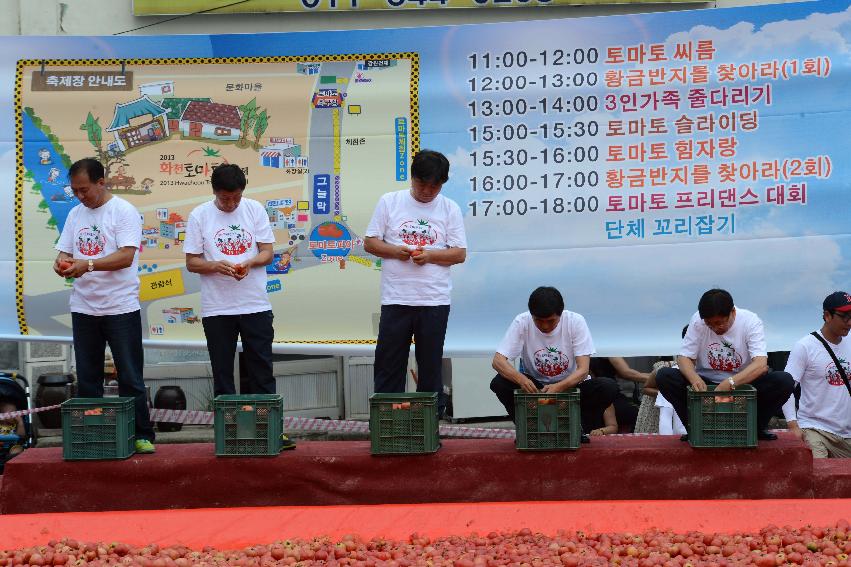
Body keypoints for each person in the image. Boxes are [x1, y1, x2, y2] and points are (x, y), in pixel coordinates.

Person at [184, 164, 295, 449]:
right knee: (222, 373)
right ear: (214, 192)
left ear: (242, 192)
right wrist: (215, 266)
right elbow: (192, 262)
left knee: (261, 370)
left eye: (235, 198)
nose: (230, 204)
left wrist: (248, 262)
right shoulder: (199, 215)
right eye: (224, 199)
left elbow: (268, 252)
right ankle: (229, 434)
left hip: (254, 304)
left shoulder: (254, 209)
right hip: (217, 309)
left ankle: (271, 431)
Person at [54, 158, 155, 454]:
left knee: (130, 376)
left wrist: (88, 264)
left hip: (120, 306)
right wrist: (61, 264)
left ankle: (142, 434)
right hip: (84, 306)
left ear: (101, 182)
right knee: (87, 378)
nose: (80, 196)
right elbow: (64, 250)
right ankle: (94, 435)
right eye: (75, 191)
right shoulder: (75, 214)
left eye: (84, 189)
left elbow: (125, 256)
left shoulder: (123, 211)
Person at [364, 150, 467, 418]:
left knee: (430, 365)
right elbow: (371, 242)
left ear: (443, 184)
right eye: (422, 184)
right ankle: (388, 419)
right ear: (412, 178)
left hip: (434, 301)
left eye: (435, 186)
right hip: (396, 298)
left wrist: (430, 255)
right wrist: (395, 251)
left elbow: (459, 253)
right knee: (389, 362)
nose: (428, 191)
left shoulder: (449, 208)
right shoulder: (390, 202)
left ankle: (429, 422)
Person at [655, 288, 794, 441]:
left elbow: (760, 364)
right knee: (665, 376)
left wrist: (730, 383)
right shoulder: (697, 320)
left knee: (784, 380)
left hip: (742, 384)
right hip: (706, 386)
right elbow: (684, 358)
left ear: (732, 312)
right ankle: (695, 427)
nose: (715, 328)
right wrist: (694, 378)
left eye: (719, 323)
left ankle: (755, 427)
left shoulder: (750, 321)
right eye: (709, 324)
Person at [489, 286, 619, 439]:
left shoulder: (575, 321)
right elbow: (498, 361)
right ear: (531, 315)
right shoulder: (522, 321)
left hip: (570, 387)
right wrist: (521, 380)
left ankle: (579, 428)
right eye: (538, 321)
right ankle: (529, 428)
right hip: (537, 389)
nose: (545, 326)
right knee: (499, 382)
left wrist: (558, 387)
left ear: (561, 314)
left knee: (608, 387)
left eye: (551, 321)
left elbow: (583, 370)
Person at [781, 292, 851, 458]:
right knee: (819, 474)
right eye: (844, 317)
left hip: (847, 432)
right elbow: (785, 388)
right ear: (827, 315)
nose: (849, 323)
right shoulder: (805, 346)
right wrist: (793, 426)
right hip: (815, 428)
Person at [589, 357, 653, 432]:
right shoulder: (606, 348)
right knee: (639, 416)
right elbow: (626, 373)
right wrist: (658, 378)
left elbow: (623, 373)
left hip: (599, 393)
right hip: (607, 394)